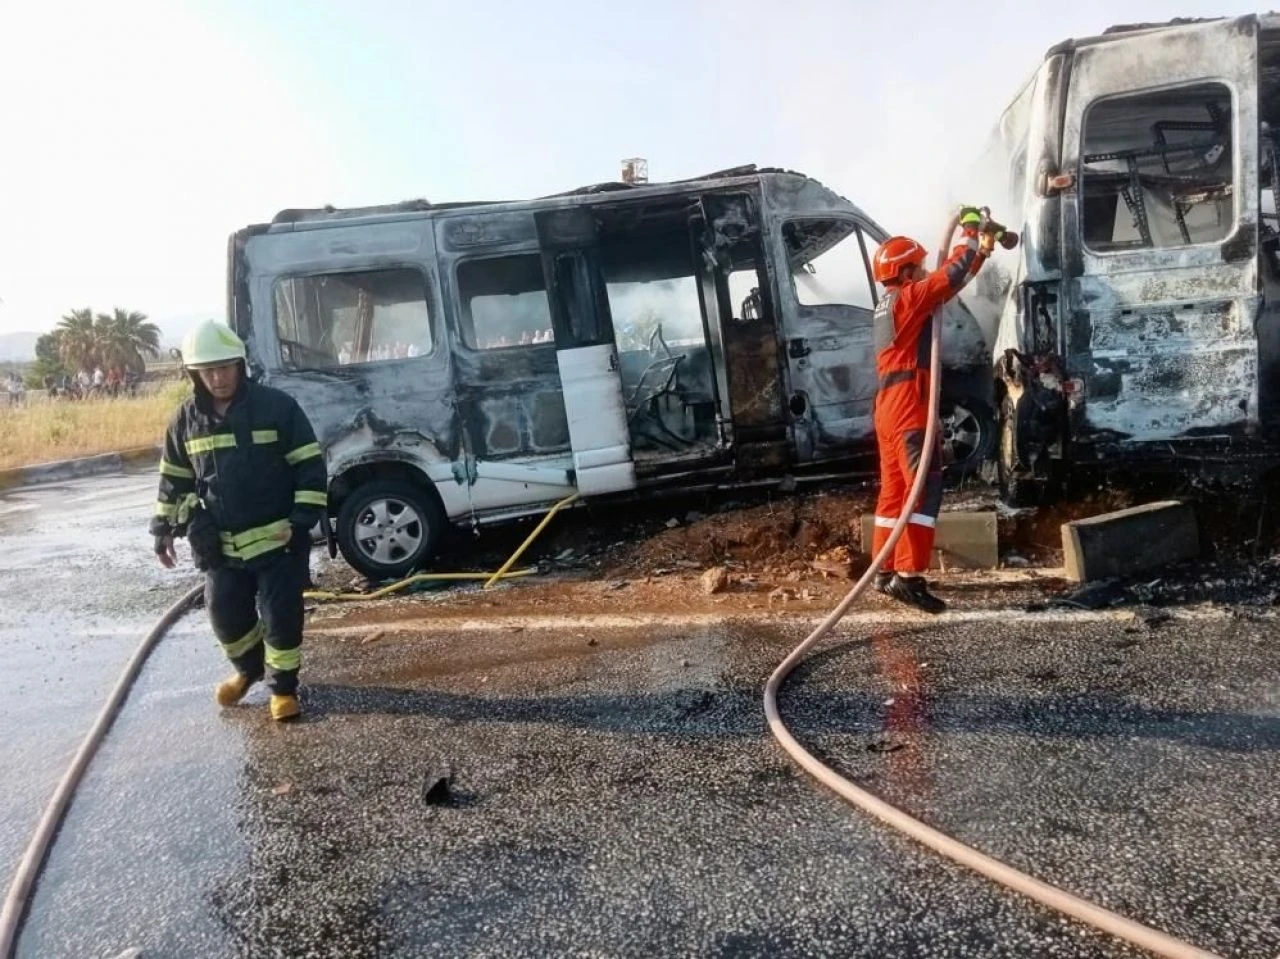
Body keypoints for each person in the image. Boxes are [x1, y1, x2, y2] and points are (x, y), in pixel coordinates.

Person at [150, 319, 328, 721]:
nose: (218, 378)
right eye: (208, 370)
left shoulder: (277, 407)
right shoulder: (185, 421)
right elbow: (173, 478)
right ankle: (249, 671)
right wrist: (163, 529)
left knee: (280, 617)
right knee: (224, 615)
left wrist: (300, 521)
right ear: (195, 374)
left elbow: (310, 467)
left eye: (224, 367)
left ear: (239, 365)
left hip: (279, 541)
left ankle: (283, 689)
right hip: (220, 545)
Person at [868, 209, 997, 614]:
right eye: (919, 267)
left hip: (889, 409)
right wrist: (971, 227)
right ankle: (908, 578)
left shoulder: (890, 303)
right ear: (905, 272)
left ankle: (885, 570)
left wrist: (981, 253)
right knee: (924, 489)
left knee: (895, 493)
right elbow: (950, 274)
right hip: (909, 406)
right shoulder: (909, 297)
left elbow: (949, 283)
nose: (924, 271)